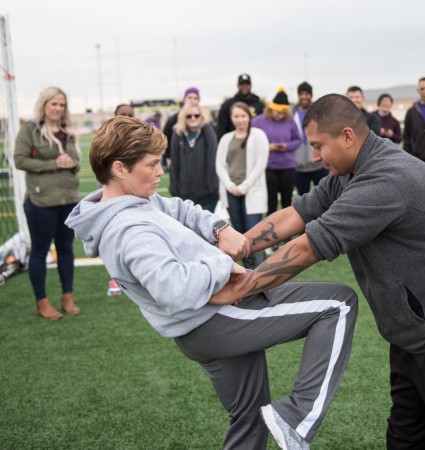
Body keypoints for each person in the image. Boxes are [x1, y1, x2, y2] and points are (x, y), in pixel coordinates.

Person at [213, 94, 425, 449]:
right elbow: (295, 215)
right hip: (414, 332)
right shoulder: (349, 171)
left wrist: (238, 290)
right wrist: (238, 247)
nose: (313, 157)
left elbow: (306, 248)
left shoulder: (383, 180)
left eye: (318, 146)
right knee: (405, 439)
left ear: (346, 136)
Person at [65, 116, 357, 450]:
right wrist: (222, 264)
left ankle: (282, 420)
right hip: (214, 323)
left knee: (251, 417)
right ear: (119, 168)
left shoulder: (138, 200)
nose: (161, 172)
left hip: (204, 324)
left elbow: (182, 209)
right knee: (339, 304)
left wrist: (221, 228)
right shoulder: (129, 231)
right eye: (152, 164)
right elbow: (174, 290)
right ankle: (297, 418)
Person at [13, 86, 81, 320]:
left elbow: (75, 164)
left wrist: (71, 162)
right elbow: (19, 160)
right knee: (40, 251)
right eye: (54, 103)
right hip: (41, 201)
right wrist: (54, 163)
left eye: (61, 104)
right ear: (44, 105)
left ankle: (68, 297)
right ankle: (42, 302)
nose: (58, 108)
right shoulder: (30, 130)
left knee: (66, 249)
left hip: (68, 199)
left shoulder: (67, 131)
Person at [216, 102, 269, 269]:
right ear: (231, 118)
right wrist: (230, 185)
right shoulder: (226, 138)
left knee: (254, 235)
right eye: (236, 116)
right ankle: (247, 272)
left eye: (243, 116)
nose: (240, 120)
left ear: (249, 117)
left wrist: (244, 187)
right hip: (231, 191)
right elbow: (220, 165)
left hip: (251, 191)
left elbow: (261, 164)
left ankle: (260, 273)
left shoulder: (258, 135)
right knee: (239, 234)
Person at [252, 87, 301, 217]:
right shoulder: (258, 121)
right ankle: (270, 233)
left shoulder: (290, 120)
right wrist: (266, 147)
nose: (280, 116)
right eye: (277, 112)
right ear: (270, 109)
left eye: (283, 113)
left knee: (287, 203)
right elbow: (252, 140)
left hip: (287, 166)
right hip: (269, 167)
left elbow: (297, 140)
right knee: (271, 202)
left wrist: (286, 146)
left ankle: (288, 235)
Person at [168, 102, 219, 212]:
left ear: (202, 117)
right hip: (184, 197)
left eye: (196, 115)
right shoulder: (178, 134)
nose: (193, 118)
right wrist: (175, 189)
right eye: (189, 116)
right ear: (183, 117)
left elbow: (213, 160)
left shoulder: (208, 133)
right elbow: (175, 163)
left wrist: (212, 188)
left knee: (205, 229)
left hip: (207, 196)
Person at [293, 81, 328, 195]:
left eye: (306, 94)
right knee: (303, 199)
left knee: (324, 196)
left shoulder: (319, 111)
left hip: (319, 164)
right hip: (299, 166)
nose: (304, 96)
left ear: (311, 95)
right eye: (301, 94)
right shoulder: (291, 113)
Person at [216, 73, 266, 139]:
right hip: (234, 140)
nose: (244, 87)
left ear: (251, 86)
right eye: (242, 84)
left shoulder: (259, 105)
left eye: (247, 84)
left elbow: (265, 125)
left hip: (255, 140)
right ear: (238, 86)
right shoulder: (228, 105)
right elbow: (222, 127)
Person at [163, 87, 201, 166]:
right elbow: (165, 140)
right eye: (189, 97)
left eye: (195, 98)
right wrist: (171, 157)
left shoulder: (203, 120)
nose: (192, 100)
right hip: (179, 162)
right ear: (184, 99)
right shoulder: (173, 120)